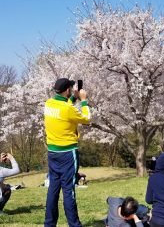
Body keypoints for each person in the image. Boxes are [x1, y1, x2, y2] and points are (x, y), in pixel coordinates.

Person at [44, 78, 91, 227]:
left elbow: (64, 108)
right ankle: (74, 224)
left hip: (52, 152)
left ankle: (49, 224)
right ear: (66, 90)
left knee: (53, 189)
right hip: (67, 153)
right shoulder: (68, 109)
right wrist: (83, 100)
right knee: (69, 190)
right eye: (70, 89)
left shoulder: (48, 104)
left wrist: (73, 98)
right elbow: (87, 118)